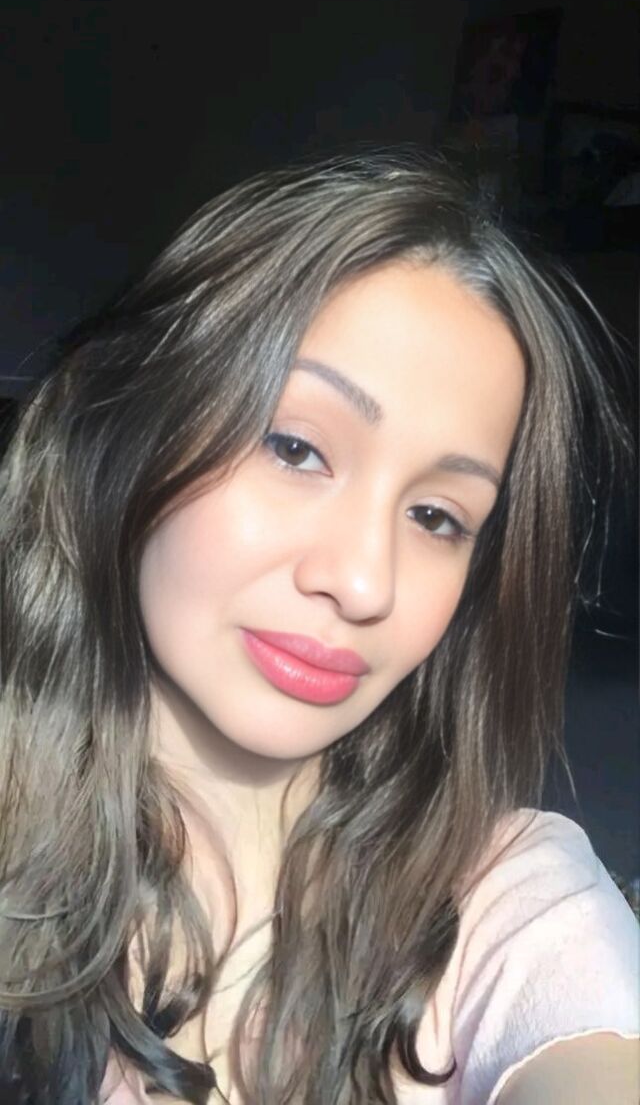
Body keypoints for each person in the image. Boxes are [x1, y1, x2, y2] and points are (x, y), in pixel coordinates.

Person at [0, 151, 637, 1105]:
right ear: (127, 431)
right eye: (296, 448)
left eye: (437, 517)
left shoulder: (512, 899)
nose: (364, 581)